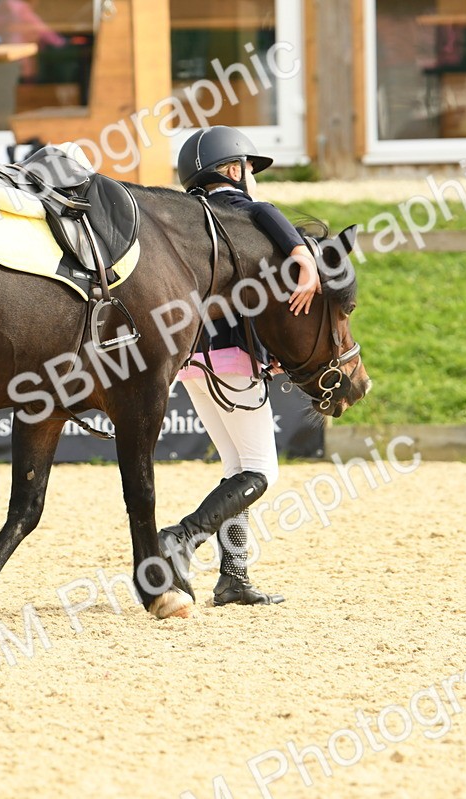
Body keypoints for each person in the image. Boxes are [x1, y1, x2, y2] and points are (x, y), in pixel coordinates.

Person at [159, 125, 322, 607]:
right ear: (233, 170)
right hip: (234, 356)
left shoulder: (188, 221)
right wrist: (307, 268)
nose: (253, 178)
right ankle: (180, 539)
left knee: (236, 469)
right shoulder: (256, 212)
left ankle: (234, 578)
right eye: (249, 168)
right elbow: (299, 257)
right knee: (261, 472)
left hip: (192, 357)